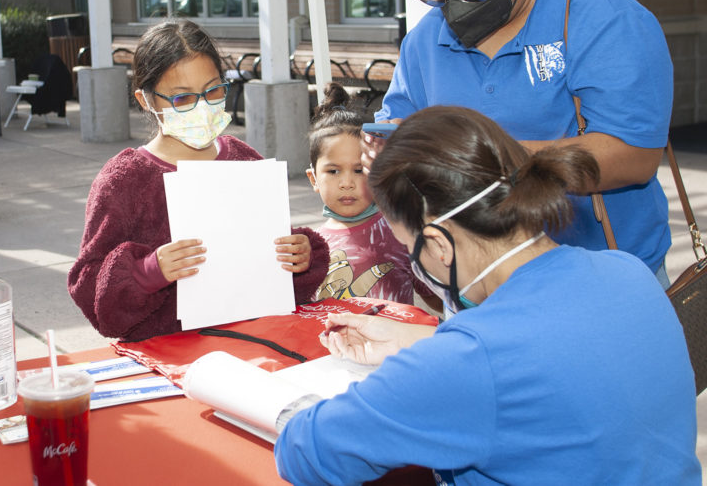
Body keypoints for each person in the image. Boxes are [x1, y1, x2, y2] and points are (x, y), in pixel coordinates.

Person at [274, 106, 699, 485]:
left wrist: (429, 363)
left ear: (439, 245)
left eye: (409, 246)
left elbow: (305, 451)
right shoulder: (627, 272)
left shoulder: (471, 363)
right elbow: (549, 357)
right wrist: (424, 342)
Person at [373, 0, 673, 284]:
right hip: (477, 284)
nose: (455, 6)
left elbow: (632, 156)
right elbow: (396, 136)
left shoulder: (598, 15)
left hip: (602, 281)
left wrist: (474, 162)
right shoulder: (425, 42)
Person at [68, 19, 329, 340]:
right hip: (163, 351)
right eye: (182, 98)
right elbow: (87, 282)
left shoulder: (242, 158)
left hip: (253, 341)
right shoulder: (125, 180)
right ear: (146, 100)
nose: (202, 107)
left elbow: (274, 248)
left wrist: (300, 255)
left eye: (213, 90)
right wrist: (148, 271)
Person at [306, 82, 433, 307]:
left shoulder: (400, 232)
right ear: (313, 178)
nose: (347, 183)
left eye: (358, 170)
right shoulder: (308, 246)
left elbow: (438, 300)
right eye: (333, 171)